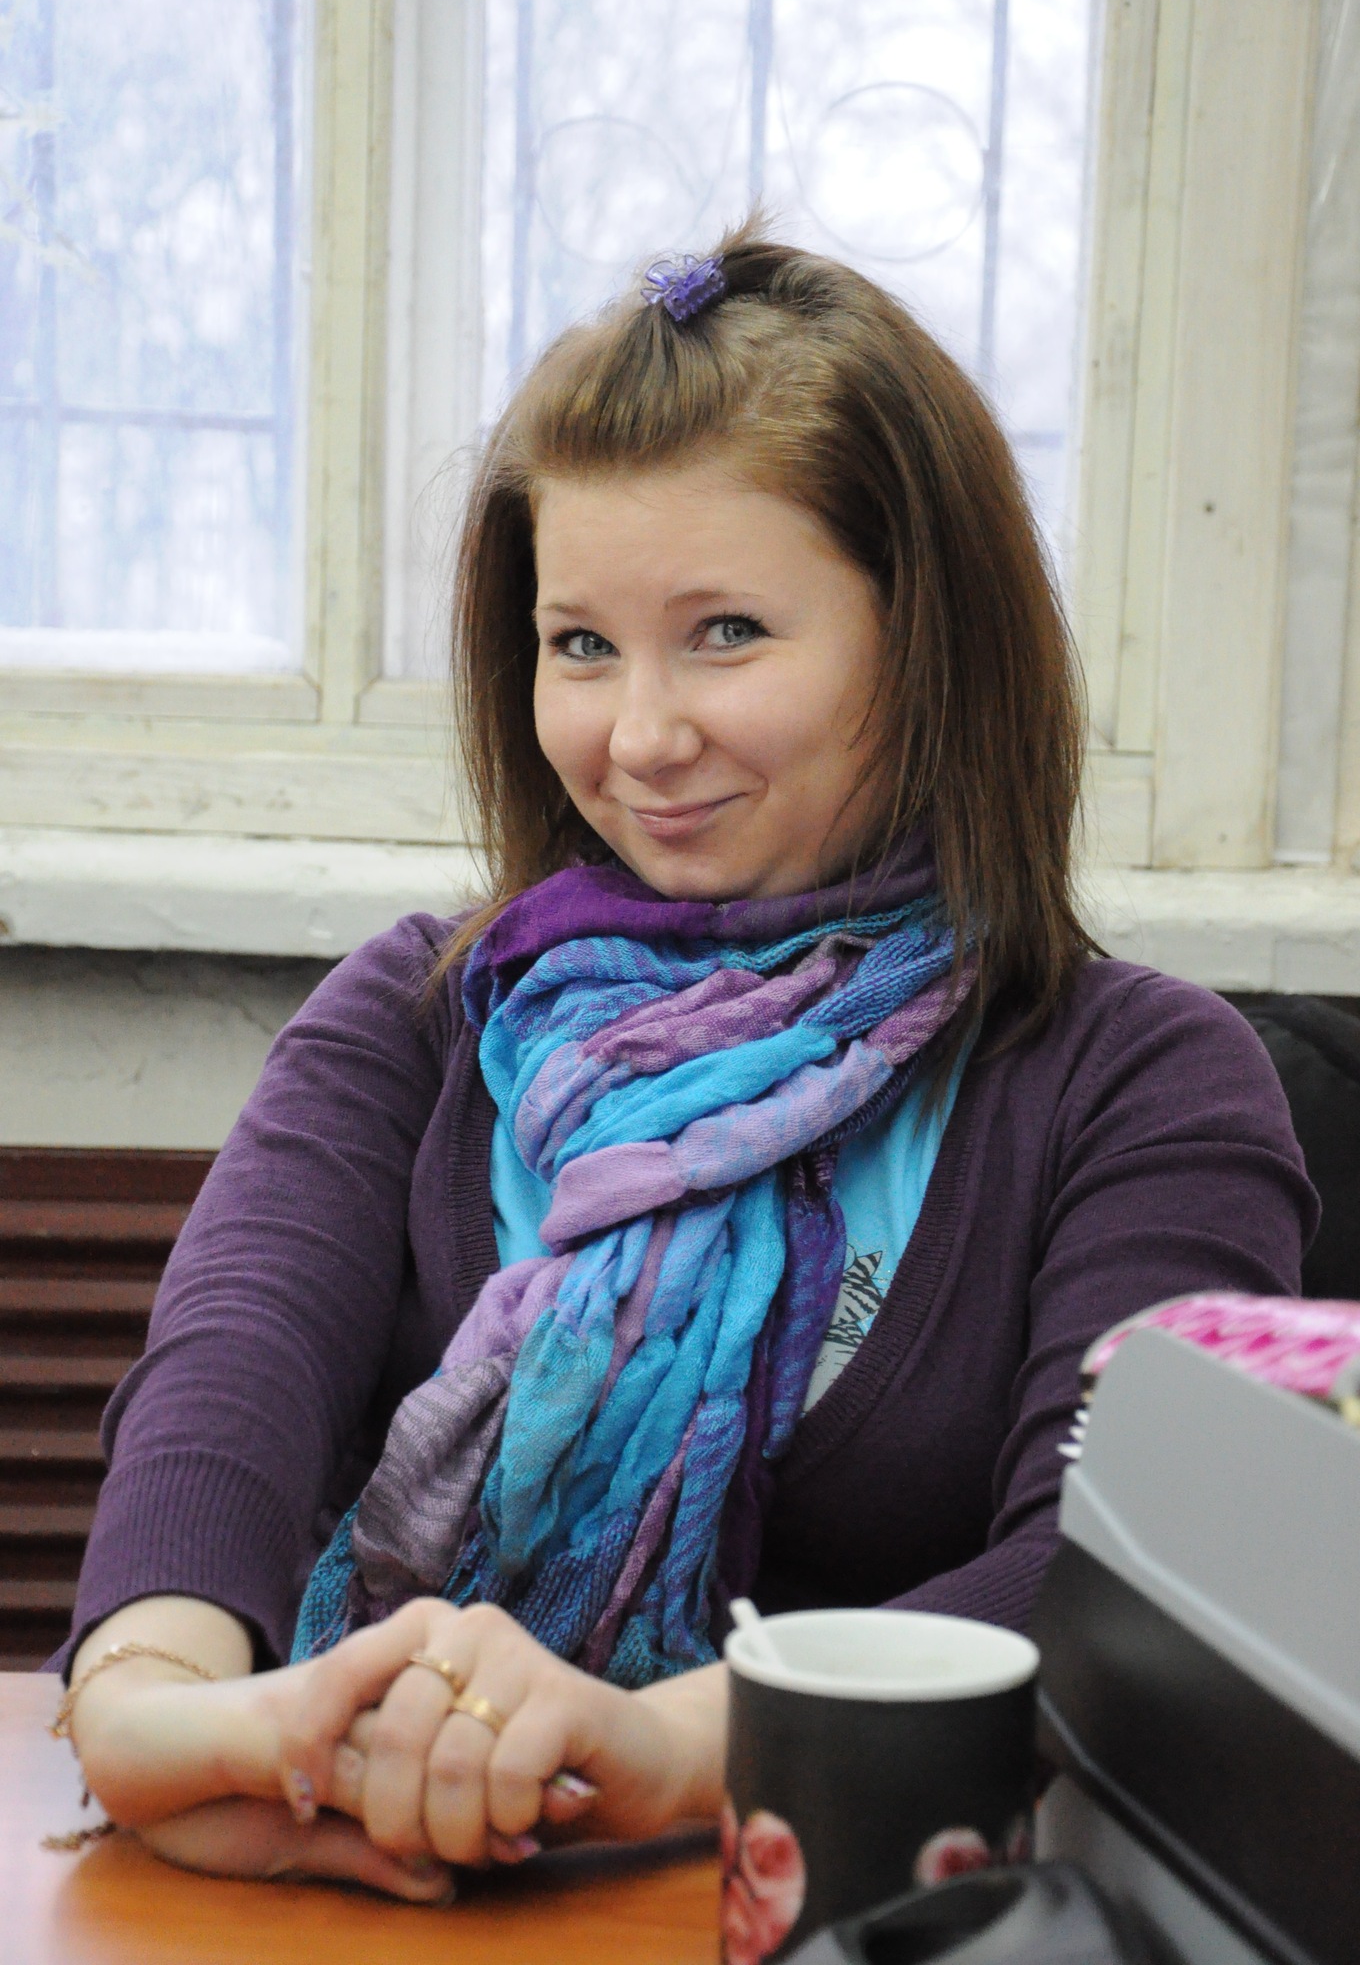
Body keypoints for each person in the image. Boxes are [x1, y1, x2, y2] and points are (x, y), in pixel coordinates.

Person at [53, 227, 1315, 1902]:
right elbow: (223, 1401)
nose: (639, 736)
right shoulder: (416, 1021)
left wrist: (659, 1747)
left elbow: (1116, 1597)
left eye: (726, 630)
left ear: (926, 643)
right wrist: (159, 1710)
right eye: (580, 644)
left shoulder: (1146, 1084)